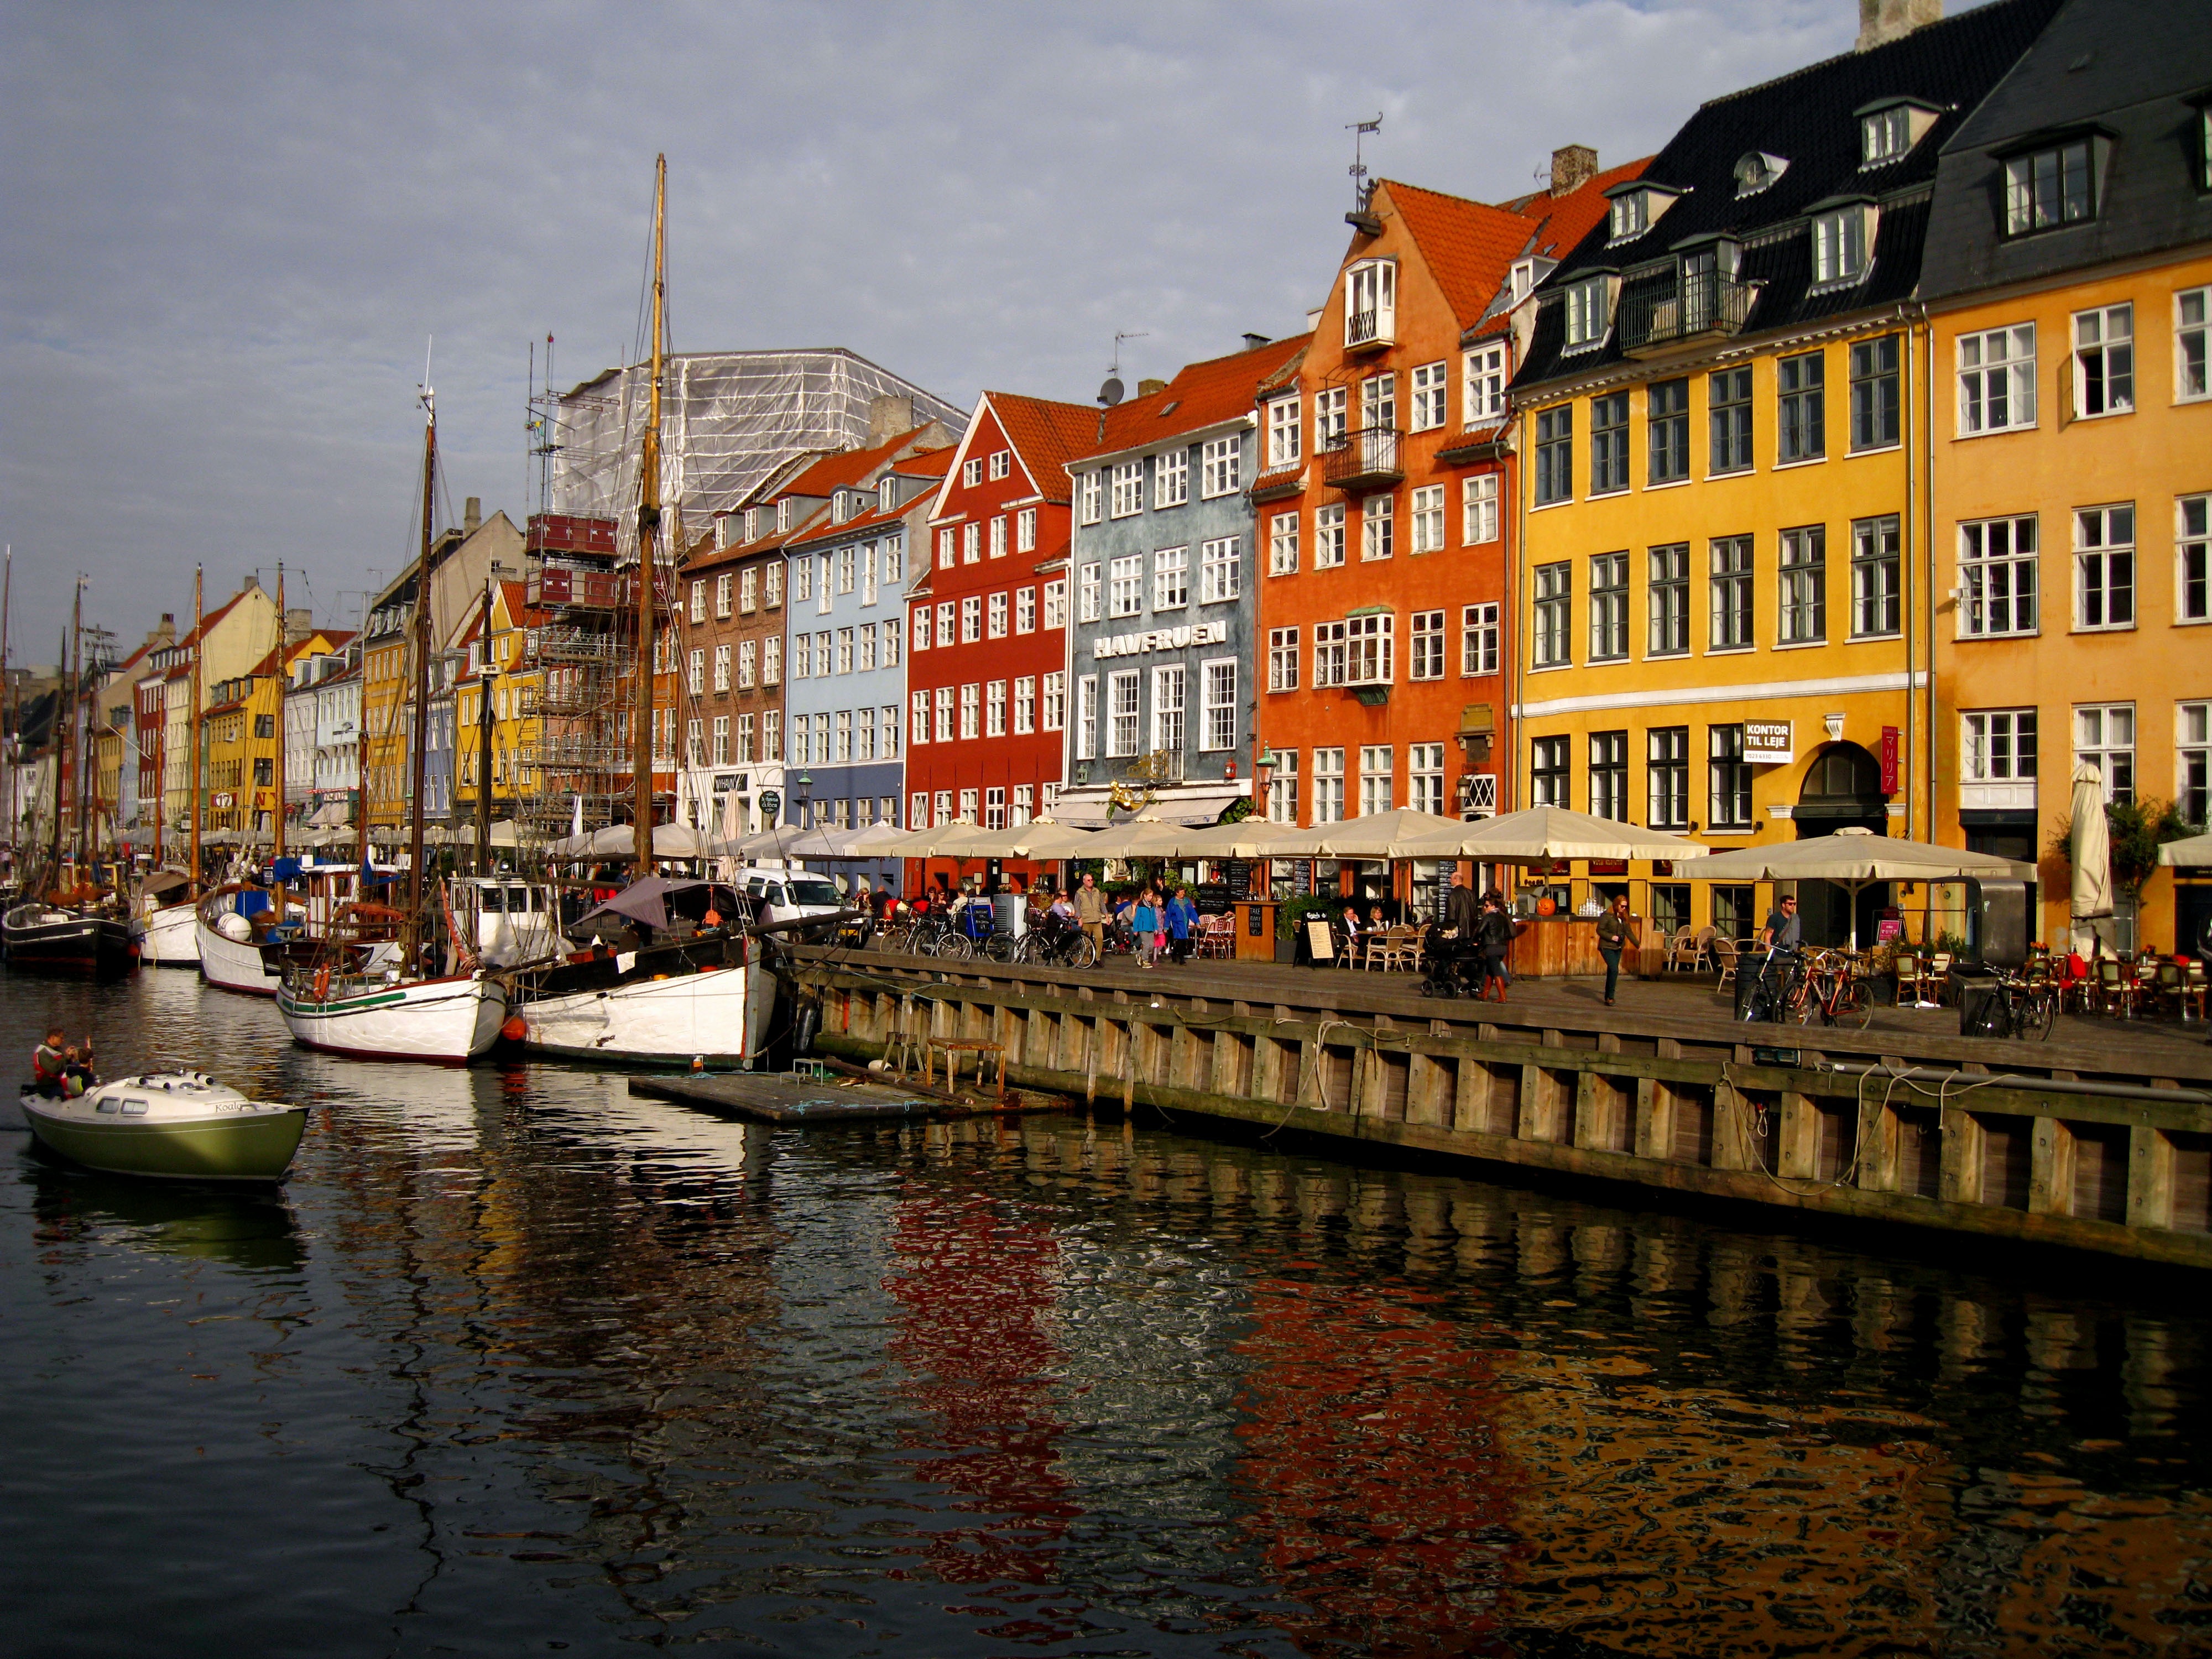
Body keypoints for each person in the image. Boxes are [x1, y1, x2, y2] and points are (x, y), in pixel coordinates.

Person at [1595, 893, 1640, 1006]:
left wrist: (1638, 945)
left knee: (1612, 970)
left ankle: (1608, 996)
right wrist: (1611, 937)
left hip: (1618, 947)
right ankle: (1611, 997)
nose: (1624, 908)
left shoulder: (1624, 917)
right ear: (1616, 905)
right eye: (1622, 906)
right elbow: (1600, 930)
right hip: (1607, 946)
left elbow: (1629, 932)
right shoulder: (1607, 916)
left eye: (1626, 906)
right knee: (1614, 969)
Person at [1475, 894, 1517, 1002]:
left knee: (1496, 972)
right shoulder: (1503, 917)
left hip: (1492, 947)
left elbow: (1480, 931)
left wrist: (1476, 940)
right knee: (1490, 970)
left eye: (1487, 906)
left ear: (1493, 906)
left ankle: (1502, 997)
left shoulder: (1489, 917)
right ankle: (1485, 994)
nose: (1485, 908)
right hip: (1503, 947)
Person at [32, 1027, 93, 1098]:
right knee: (74, 1092)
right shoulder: (43, 1052)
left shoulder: (56, 1049)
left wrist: (71, 1057)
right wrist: (67, 1057)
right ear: (53, 1038)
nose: (63, 1040)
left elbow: (64, 1064)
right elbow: (54, 1069)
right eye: (61, 1038)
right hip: (48, 1087)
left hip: (59, 1082)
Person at [1165, 885, 1197, 965]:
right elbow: (1168, 914)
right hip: (1176, 923)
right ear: (1177, 893)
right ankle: (1182, 959)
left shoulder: (1187, 901)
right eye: (1181, 892)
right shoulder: (1172, 902)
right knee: (1180, 940)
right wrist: (1166, 926)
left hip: (1185, 923)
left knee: (1183, 940)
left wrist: (1197, 921)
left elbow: (1192, 912)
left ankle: (1174, 953)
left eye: (1184, 892)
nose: (1183, 894)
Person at [1075, 872, 1105, 955]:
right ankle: (1087, 959)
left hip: (1097, 919)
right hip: (1086, 920)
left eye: (1092, 880)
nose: (1091, 882)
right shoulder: (1080, 892)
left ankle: (1097, 957)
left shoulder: (1097, 891)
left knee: (1100, 938)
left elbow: (1102, 904)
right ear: (1084, 881)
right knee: (1086, 942)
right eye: (1089, 880)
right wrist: (1079, 918)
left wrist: (1107, 916)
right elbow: (1077, 906)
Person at [1131, 889, 1160, 968]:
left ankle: (1140, 955)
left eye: (1152, 896)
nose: (1151, 897)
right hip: (1143, 928)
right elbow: (1137, 918)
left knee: (1151, 945)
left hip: (1151, 928)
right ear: (1145, 896)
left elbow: (1154, 917)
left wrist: (1156, 928)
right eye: (1150, 896)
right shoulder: (1140, 906)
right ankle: (1145, 961)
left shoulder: (1152, 906)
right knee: (1146, 945)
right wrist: (1135, 929)